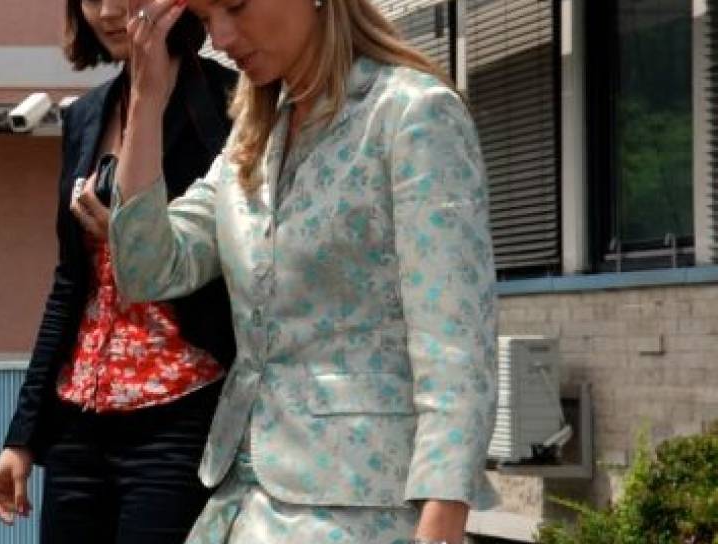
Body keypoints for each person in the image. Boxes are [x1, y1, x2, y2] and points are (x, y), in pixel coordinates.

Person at [98, 0, 499, 541]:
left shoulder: (412, 113)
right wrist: (146, 102)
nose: (221, 37)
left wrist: (443, 516)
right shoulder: (252, 137)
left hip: (367, 506)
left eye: (235, 6)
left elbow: (456, 344)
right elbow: (146, 268)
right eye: (207, 18)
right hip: (244, 499)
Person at [0, 0, 236, 542]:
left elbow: (243, 257)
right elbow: (69, 283)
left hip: (181, 409)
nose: (106, 10)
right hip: (78, 415)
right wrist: (21, 438)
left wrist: (138, 236)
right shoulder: (84, 115)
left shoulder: (230, 103)